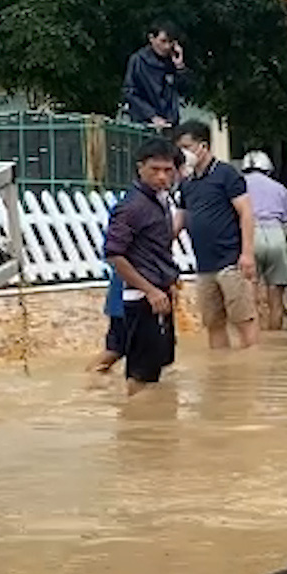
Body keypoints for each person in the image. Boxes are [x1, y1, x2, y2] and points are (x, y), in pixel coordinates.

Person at [103, 139, 184, 395]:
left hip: (159, 294)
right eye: (155, 169)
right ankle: (136, 425)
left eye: (168, 170)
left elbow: (156, 250)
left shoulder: (159, 202)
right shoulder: (132, 207)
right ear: (141, 169)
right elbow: (114, 254)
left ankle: (152, 428)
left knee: (157, 368)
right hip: (143, 299)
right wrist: (150, 290)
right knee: (141, 376)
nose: (162, 176)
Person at [173, 120, 258, 349]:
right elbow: (179, 219)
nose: (183, 153)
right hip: (204, 265)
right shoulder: (187, 183)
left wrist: (247, 254)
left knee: (243, 320)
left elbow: (246, 213)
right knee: (213, 323)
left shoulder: (226, 174)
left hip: (231, 261)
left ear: (203, 146)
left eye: (186, 147)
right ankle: (221, 376)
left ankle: (252, 374)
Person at [240, 150, 287, 332]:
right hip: (277, 237)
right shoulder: (278, 188)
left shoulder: (238, 186)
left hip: (249, 236)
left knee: (250, 298)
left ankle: (255, 344)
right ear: (268, 169)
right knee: (275, 301)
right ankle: (274, 338)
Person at [122, 20, 188, 130]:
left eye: (170, 42)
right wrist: (151, 116)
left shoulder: (172, 62)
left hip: (170, 125)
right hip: (145, 125)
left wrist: (180, 66)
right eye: (163, 41)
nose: (167, 46)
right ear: (151, 39)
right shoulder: (138, 60)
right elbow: (130, 92)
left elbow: (185, 89)